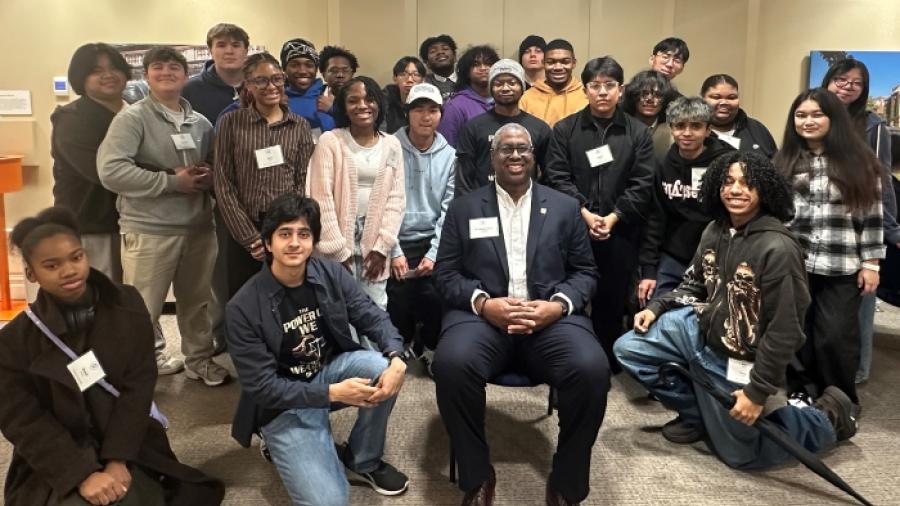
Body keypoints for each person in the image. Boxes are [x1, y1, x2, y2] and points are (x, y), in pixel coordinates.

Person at [614, 151, 858, 470]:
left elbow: (786, 331)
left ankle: (825, 418)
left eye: (747, 183)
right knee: (629, 348)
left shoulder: (778, 248)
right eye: (728, 182)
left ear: (765, 191)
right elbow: (694, 284)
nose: (735, 189)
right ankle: (699, 416)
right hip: (701, 330)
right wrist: (659, 307)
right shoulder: (715, 230)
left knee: (742, 456)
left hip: (739, 358)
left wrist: (757, 393)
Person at [433, 123, 609, 506]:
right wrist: (483, 302)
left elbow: (586, 273)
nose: (515, 155)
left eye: (523, 149)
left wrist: (557, 305)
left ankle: (567, 479)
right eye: (505, 149)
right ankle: (477, 475)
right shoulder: (464, 208)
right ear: (491, 158)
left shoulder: (563, 207)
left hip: (549, 321)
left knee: (593, 369)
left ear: (534, 156)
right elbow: (445, 275)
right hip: (483, 321)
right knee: (451, 363)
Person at [0, 207, 225, 505]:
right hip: (60, 455)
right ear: (31, 273)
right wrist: (81, 473)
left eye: (76, 257)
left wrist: (117, 460)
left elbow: (140, 386)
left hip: (127, 442)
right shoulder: (14, 341)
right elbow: (24, 421)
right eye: (52, 265)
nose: (69, 271)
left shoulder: (127, 304)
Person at [226, 195, 410, 505]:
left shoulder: (329, 273)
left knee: (381, 369)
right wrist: (333, 394)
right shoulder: (242, 308)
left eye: (304, 234)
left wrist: (397, 356)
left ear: (313, 241)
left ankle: (362, 459)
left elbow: (370, 315)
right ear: (268, 244)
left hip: (327, 372)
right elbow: (263, 388)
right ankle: (281, 439)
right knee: (329, 502)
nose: (294, 243)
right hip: (281, 403)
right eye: (285, 234)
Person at [98, 46, 229, 386]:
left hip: (199, 228)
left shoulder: (200, 123)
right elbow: (111, 171)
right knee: (142, 310)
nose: (167, 72)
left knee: (197, 304)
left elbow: (215, 165)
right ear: (146, 75)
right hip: (150, 230)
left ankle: (199, 360)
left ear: (186, 77)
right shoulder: (132, 118)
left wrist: (209, 176)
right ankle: (133, 376)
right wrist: (171, 181)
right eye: (158, 67)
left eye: (175, 67)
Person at [544, 56, 657, 368]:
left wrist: (613, 216)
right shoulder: (565, 130)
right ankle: (569, 358)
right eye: (596, 86)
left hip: (620, 229)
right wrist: (583, 212)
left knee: (610, 299)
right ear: (586, 90)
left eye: (609, 86)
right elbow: (556, 175)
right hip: (573, 228)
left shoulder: (638, 133)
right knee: (571, 295)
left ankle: (604, 360)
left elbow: (643, 182)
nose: (603, 92)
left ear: (620, 90)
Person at [774, 88, 884, 409]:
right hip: (794, 263)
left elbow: (872, 216)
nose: (807, 121)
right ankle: (800, 390)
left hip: (842, 263)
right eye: (801, 115)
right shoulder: (784, 161)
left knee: (835, 336)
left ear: (833, 118)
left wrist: (872, 264)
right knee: (796, 330)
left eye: (816, 115)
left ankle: (839, 399)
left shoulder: (861, 161)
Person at [821, 58, 900, 384]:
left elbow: (880, 180)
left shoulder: (872, 126)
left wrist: (890, 228)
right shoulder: (813, 114)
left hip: (858, 227)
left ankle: (856, 373)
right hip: (817, 223)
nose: (847, 86)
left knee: (860, 305)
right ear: (828, 81)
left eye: (855, 82)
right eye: (841, 79)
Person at [214, 52, 315, 298]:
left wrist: (291, 228)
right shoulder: (231, 122)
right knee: (244, 298)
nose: (270, 86)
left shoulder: (299, 126)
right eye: (260, 81)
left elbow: (302, 180)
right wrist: (249, 237)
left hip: (286, 228)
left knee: (288, 298)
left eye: (276, 79)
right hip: (244, 230)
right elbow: (223, 182)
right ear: (248, 85)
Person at [306, 76, 405, 310]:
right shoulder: (331, 142)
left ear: (379, 105)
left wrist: (382, 247)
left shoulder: (392, 144)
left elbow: (396, 199)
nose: (362, 105)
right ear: (343, 107)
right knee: (337, 309)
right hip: (337, 238)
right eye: (353, 100)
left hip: (376, 241)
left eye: (369, 99)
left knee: (375, 308)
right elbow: (320, 198)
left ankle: (374, 350)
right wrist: (337, 251)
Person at [637, 97, 735, 305]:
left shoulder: (727, 164)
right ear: (672, 129)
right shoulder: (663, 165)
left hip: (716, 256)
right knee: (655, 307)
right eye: (680, 126)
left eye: (696, 126)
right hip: (674, 256)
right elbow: (656, 218)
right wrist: (648, 271)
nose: (687, 133)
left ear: (708, 130)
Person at [387, 83, 455, 371]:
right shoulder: (389, 147)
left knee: (435, 295)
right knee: (396, 296)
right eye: (418, 109)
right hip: (395, 237)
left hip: (432, 238)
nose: (425, 117)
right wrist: (394, 250)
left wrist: (434, 252)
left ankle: (429, 345)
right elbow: (382, 204)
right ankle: (398, 345)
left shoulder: (450, 155)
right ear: (407, 113)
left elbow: (448, 208)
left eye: (432, 110)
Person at [51, 43, 130, 282]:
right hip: (93, 224)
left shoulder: (135, 113)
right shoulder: (71, 120)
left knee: (135, 296)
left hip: (136, 222)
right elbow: (104, 172)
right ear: (81, 77)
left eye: (114, 67)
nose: (108, 75)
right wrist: (172, 178)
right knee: (101, 294)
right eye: (96, 70)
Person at [455, 59, 551, 196]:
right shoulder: (473, 127)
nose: (505, 88)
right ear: (491, 89)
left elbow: (549, 173)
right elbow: (463, 178)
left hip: (527, 203)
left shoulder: (539, 128)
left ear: (522, 87)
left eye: (512, 83)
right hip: (483, 206)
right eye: (498, 84)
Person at [182, 23, 249, 125]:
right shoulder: (189, 89)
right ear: (210, 51)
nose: (229, 51)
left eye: (236, 45)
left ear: (246, 51)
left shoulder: (261, 86)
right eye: (221, 45)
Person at [436, 45, 500, 148]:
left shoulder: (506, 102)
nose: (483, 68)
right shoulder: (455, 106)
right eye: (476, 64)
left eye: (488, 63)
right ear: (467, 72)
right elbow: (445, 149)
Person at [700, 74, 777, 158]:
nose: (724, 102)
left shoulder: (756, 128)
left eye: (731, 98)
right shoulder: (692, 130)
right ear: (702, 99)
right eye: (716, 97)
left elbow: (777, 164)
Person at [519, 39, 588, 127]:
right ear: (543, 63)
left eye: (565, 62)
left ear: (574, 63)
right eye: (551, 62)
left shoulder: (586, 96)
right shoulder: (527, 98)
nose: (558, 67)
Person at [281, 38, 336, 140]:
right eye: (294, 65)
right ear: (284, 68)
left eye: (309, 65)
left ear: (316, 69)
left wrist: (333, 109)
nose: (302, 71)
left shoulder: (329, 94)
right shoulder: (277, 99)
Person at [621, 69, 679, 162]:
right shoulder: (620, 127)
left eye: (658, 95)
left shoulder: (671, 133)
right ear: (633, 96)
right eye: (644, 93)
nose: (650, 100)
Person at [382, 56, 426, 134]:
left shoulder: (429, 102)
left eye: (415, 75)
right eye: (403, 74)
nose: (409, 80)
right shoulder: (385, 100)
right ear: (395, 78)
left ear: (423, 80)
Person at [317, 45, 359, 114]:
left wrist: (332, 109)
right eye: (334, 71)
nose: (340, 75)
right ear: (324, 75)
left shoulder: (360, 97)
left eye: (345, 70)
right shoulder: (315, 96)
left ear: (352, 74)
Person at [420, 34, 458, 101]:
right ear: (427, 63)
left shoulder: (467, 79)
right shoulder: (424, 85)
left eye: (445, 49)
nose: (440, 52)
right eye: (433, 51)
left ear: (455, 57)